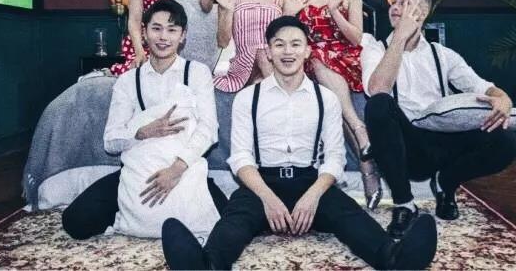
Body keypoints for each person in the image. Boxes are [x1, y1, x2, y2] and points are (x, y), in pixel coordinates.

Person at [160, 16, 437, 270]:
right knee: (235, 220)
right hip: (262, 183)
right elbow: (241, 157)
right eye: (279, 44)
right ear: (269, 52)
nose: (287, 51)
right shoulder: (247, 98)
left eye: (295, 44)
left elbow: (334, 158)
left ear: (307, 51)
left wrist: (313, 196)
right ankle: (205, 265)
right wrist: (268, 198)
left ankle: (394, 259)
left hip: (311, 183)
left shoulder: (327, 99)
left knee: (349, 215)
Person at [362, 0, 516, 239]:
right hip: (406, 147)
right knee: (378, 104)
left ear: (422, 13)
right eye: (393, 3)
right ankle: (404, 204)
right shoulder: (375, 49)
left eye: (404, 3)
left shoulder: (443, 55)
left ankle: (447, 182)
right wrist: (399, 38)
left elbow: (483, 86)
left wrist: (503, 99)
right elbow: (377, 88)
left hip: (443, 140)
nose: (395, 8)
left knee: (507, 142)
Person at [62, 0, 227, 241]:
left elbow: (209, 129)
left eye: (172, 30)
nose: (163, 37)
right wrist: (142, 132)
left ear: (183, 36)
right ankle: (131, 212)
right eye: (156, 28)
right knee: (75, 222)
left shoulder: (197, 73)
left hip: (183, 165)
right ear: (144, 32)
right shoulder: (128, 81)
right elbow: (110, 141)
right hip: (137, 169)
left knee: (227, 221)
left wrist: (177, 169)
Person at [285, 0, 381, 209]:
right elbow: (287, 33)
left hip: (345, 57)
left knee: (321, 65)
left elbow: (356, 38)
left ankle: (359, 134)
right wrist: (289, 13)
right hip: (311, 61)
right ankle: (367, 165)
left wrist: (335, 10)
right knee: (318, 66)